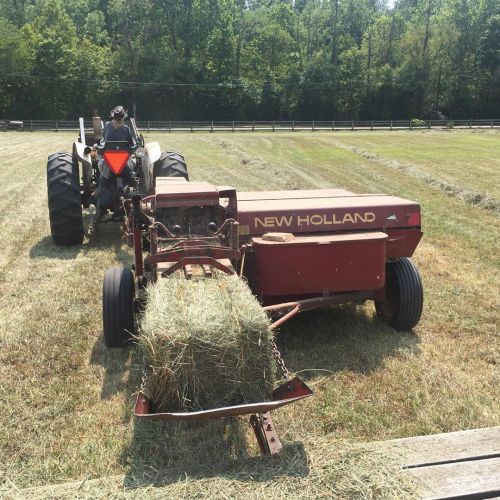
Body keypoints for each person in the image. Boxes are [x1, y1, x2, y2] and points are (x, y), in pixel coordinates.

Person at [95, 106, 136, 216]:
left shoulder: (107, 126)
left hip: (109, 164)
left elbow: (103, 142)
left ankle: (101, 200)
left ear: (112, 116)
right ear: (123, 118)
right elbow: (132, 145)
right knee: (132, 167)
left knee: (102, 176)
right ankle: (132, 182)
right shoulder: (126, 128)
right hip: (123, 165)